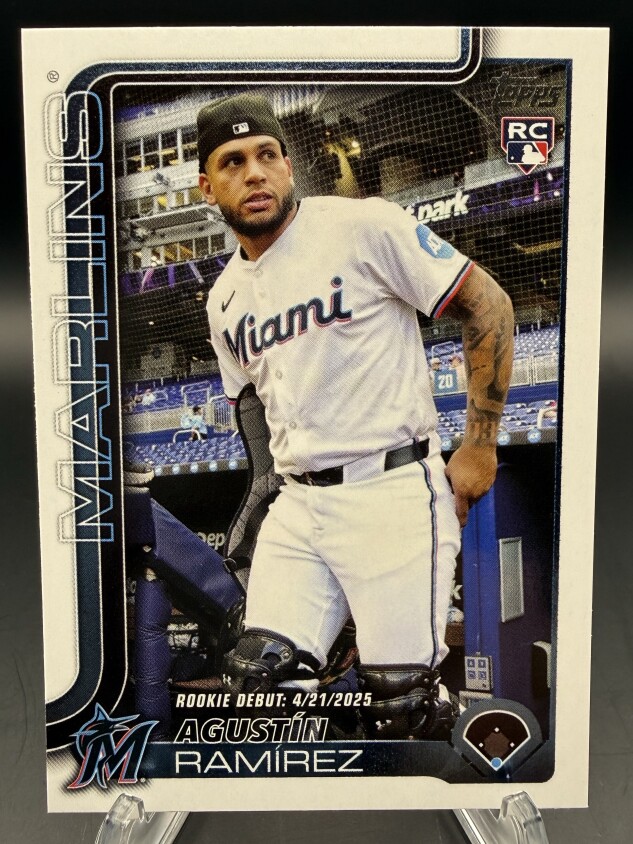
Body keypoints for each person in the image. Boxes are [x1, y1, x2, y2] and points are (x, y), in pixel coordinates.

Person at [197, 94, 514, 740]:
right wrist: (259, 497)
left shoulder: (363, 226)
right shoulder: (223, 298)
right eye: (232, 162)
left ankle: (464, 761)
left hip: (389, 489)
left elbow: (489, 305)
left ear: (288, 167)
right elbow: (253, 404)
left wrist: (479, 444)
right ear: (207, 186)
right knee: (259, 691)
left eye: (266, 155)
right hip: (298, 506)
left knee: (401, 705)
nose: (254, 173)